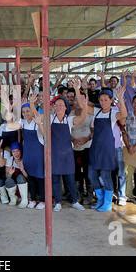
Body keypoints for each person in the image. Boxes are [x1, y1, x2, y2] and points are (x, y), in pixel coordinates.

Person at [44, 79, 87, 212]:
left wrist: (77, 90)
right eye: (56, 105)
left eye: (62, 105)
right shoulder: (50, 119)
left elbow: (83, 116)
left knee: (70, 179)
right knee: (56, 179)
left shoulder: (69, 120)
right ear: (54, 107)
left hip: (67, 154)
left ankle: (74, 201)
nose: (59, 107)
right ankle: (57, 202)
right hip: (55, 154)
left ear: (66, 107)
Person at [88, 86, 127, 212]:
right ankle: (100, 198)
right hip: (95, 149)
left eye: (106, 99)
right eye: (101, 100)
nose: (103, 102)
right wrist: (78, 90)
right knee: (91, 175)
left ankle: (107, 202)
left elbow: (124, 114)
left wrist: (120, 99)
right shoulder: (96, 113)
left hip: (107, 150)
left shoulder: (113, 113)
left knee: (106, 176)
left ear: (111, 101)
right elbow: (84, 107)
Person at [71, 91, 94, 205]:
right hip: (74, 148)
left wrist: (87, 138)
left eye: (80, 100)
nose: (78, 102)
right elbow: (67, 130)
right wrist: (73, 139)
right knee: (76, 173)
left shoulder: (90, 115)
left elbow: (94, 131)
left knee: (88, 173)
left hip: (87, 147)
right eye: (76, 100)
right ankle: (78, 194)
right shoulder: (70, 114)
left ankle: (89, 195)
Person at [22, 96, 45, 209]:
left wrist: (31, 103)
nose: (26, 113)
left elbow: (44, 135)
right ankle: (33, 199)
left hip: (38, 155)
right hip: (28, 154)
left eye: (28, 111)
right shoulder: (23, 123)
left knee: (40, 178)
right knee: (31, 177)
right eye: (24, 112)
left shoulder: (38, 122)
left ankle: (43, 200)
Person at [0, 141, 29, 208]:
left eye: (17, 151)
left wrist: (22, 169)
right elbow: (7, 176)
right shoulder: (10, 160)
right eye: (13, 151)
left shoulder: (25, 159)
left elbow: (28, 177)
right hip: (14, 185)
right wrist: (10, 174)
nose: (16, 153)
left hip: (24, 184)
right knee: (8, 180)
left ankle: (24, 200)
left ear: (21, 151)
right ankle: (13, 198)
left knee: (20, 177)